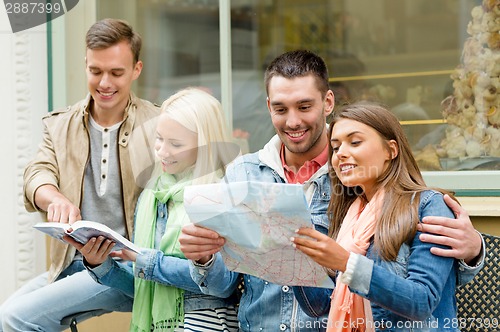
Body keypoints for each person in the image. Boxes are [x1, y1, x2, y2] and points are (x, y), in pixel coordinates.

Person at [178, 50, 484, 332]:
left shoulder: (364, 192)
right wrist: (208, 258)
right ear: (269, 107)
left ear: (327, 102)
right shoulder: (346, 202)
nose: (293, 120)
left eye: (304, 106)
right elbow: (318, 300)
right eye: (337, 146)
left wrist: (474, 251)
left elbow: (426, 291)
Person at [0, 18, 160, 331]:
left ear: (136, 70)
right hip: (70, 262)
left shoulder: (159, 123)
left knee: (14, 319)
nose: (104, 83)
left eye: (116, 72)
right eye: (95, 71)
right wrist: (53, 196)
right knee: (5, 319)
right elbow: (37, 173)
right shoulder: (60, 124)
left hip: (127, 268)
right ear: (85, 64)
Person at [66, 87, 240, 331]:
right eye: (159, 138)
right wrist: (99, 264)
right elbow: (142, 285)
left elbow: (224, 284)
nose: (162, 151)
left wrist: (146, 261)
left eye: (176, 144)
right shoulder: (152, 195)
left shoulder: (222, 194)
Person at [290, 101, 468, 330]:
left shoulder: (429, 206)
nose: (341, 153)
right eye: (335, 147)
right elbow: (320, 307)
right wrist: (294, 260)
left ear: (390, 150)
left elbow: (422, 302)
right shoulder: (349, 214)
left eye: (354, 142)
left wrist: (347, 264)